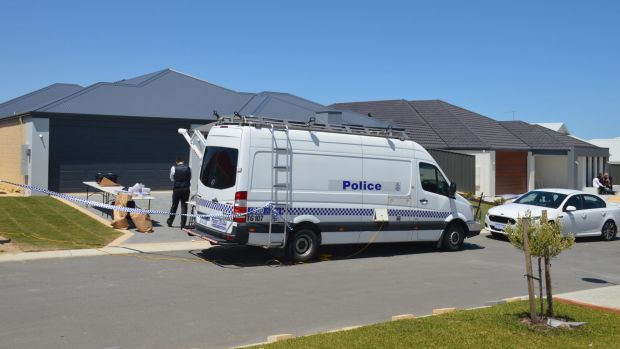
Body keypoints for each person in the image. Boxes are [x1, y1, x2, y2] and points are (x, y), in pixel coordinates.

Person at [167, 156, 192, 228]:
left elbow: (171, 178)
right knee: (184, 206)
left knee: (174, 205)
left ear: (176, 162)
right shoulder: (189, 168)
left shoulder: (173, 168)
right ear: (183, 161)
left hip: (177, 189)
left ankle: (170, 221)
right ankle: (183, 224)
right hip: (186, 189)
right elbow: (190, 178)